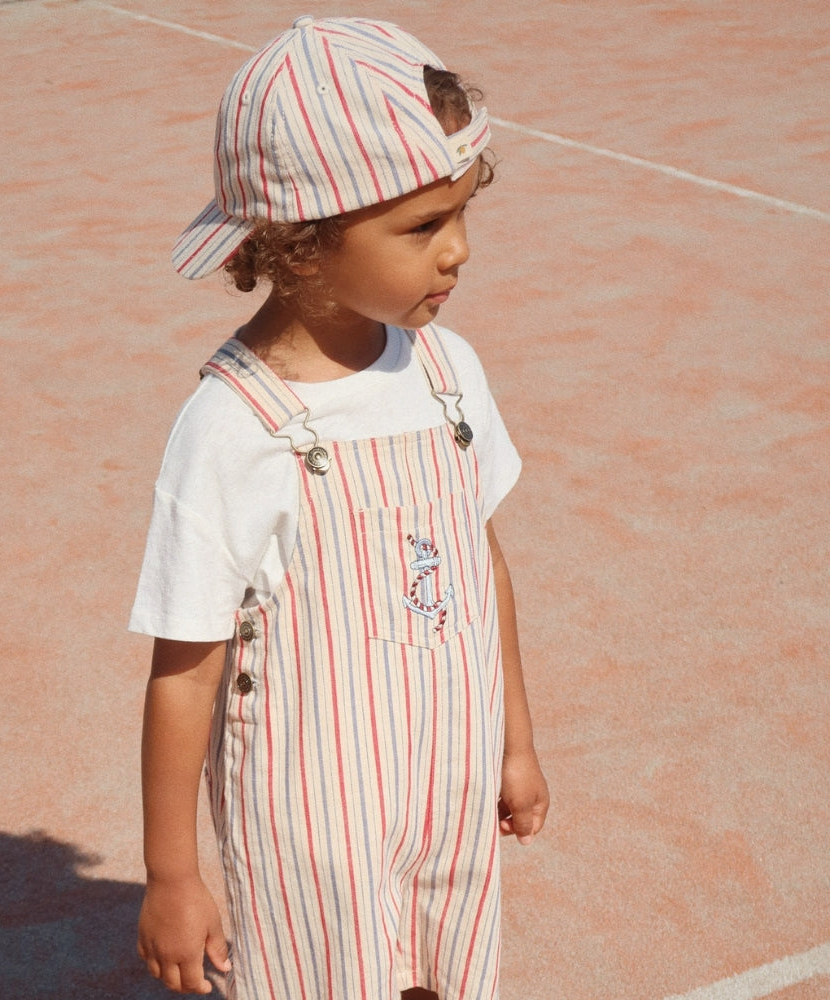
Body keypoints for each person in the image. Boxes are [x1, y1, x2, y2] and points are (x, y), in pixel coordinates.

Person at [129, 15, 550, 1000]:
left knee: (445, 975)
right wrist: (172, 873)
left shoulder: (448, 372)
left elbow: (481, 562)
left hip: (448, 786)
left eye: (460, 215)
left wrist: (514, 741)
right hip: (312, 821)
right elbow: (185, 669)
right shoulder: (232, 427)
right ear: (303, 243)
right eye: (422, 227)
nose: (458, 252)